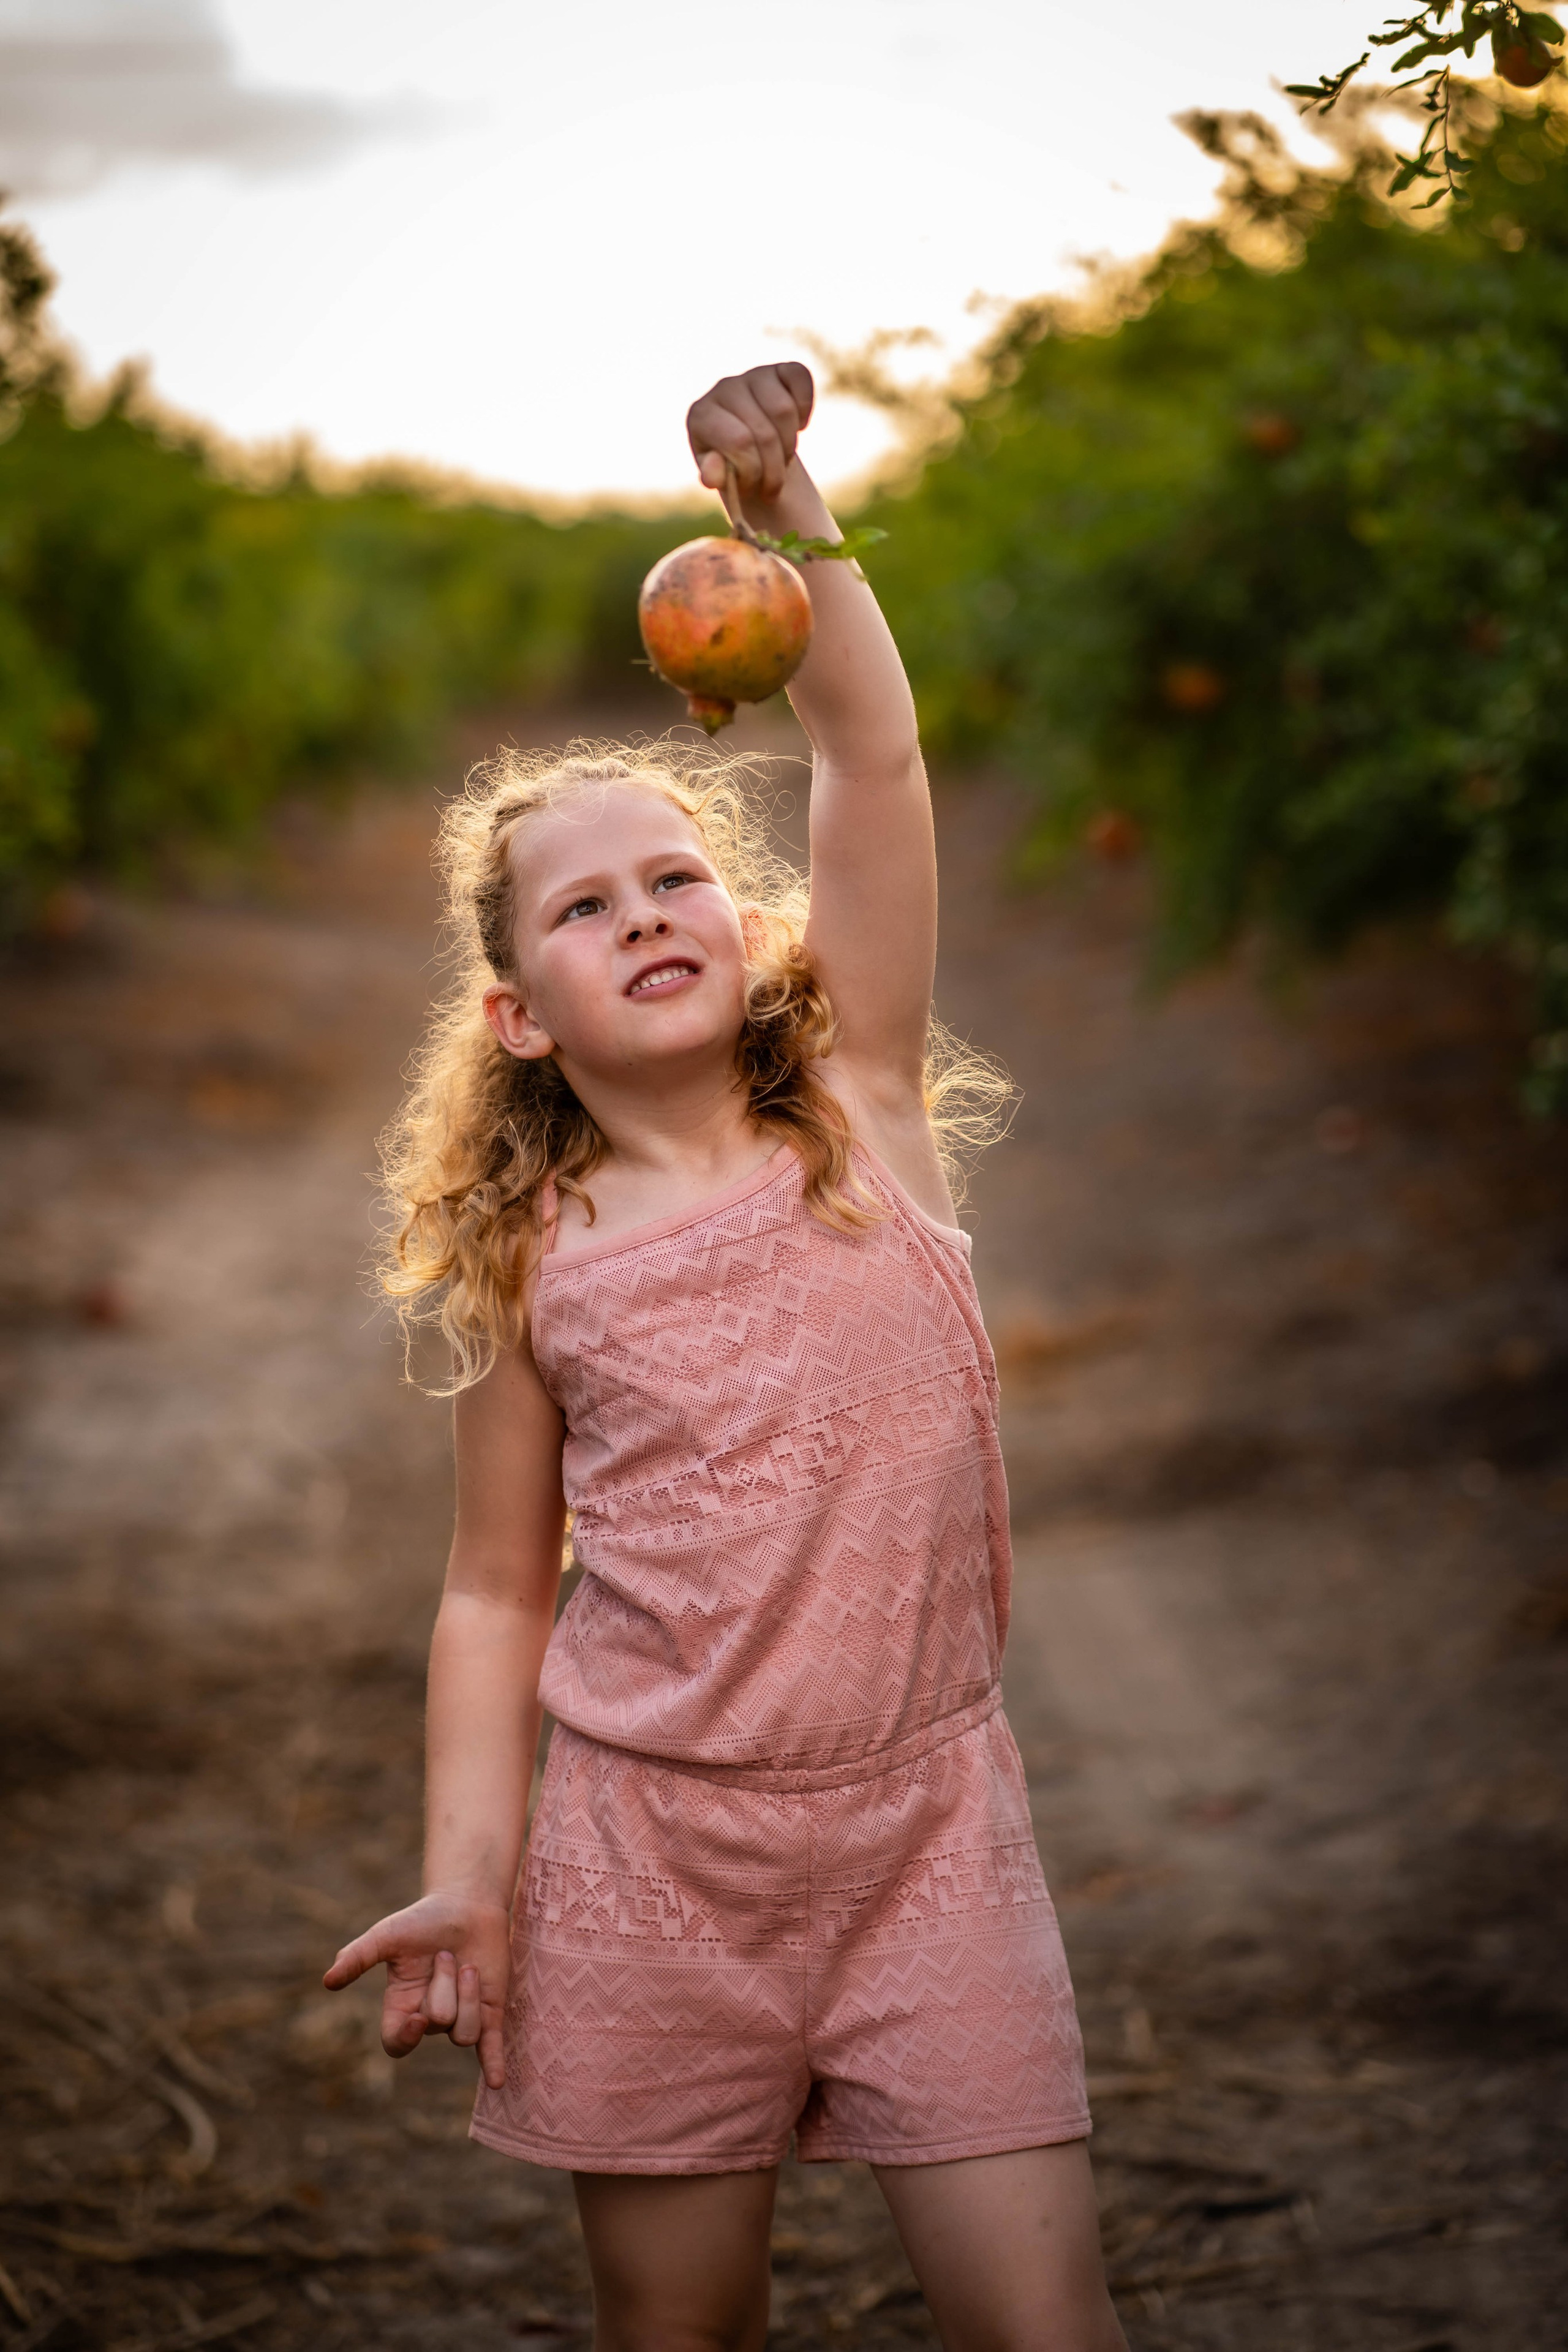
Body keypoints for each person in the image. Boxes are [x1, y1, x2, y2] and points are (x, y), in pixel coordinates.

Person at [325, 363, 1127, 2352]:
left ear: (752, 927)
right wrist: (470, 1873)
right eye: (585, 908)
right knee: (682, 2333)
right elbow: (495, 1591)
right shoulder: (531, 1260)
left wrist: (790, 515)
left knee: (1048, 2328)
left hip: (928, 1837)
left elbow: (873, 758)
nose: (646, 911)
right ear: (520, 1017)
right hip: (648, 1865)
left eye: (678, 874)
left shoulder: (863, 1111)